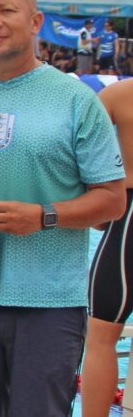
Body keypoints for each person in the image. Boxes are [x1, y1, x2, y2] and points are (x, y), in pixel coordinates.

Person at [0, 0, 126, 416]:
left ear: (36, 21)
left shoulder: (76, 101)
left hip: (50, 301)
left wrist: (44, 216)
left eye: (7, 10)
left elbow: (113, 200)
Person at [82, 78, 133, 417]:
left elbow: (81, 158)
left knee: (101, 335)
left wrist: (99, 214)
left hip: (127, 226)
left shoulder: (118, 95)